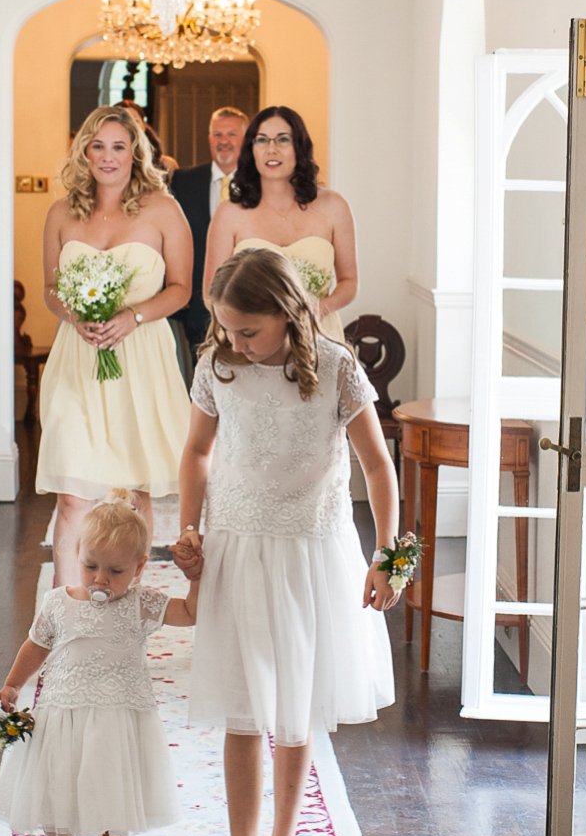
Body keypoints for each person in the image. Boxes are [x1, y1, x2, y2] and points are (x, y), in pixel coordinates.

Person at [173, 248, 398, 836]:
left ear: (288, 314)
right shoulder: (219, 366)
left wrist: (392, 556)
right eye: (227, 329)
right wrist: (188, 529)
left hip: (311, 548)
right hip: (238, 541)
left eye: (249, 331)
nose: (235, 342)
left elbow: (377, 466)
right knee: (243, 710)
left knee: (297, 705)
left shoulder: (336, 368)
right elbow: (198, 452)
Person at [0, 492, 199, 836]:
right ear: (76, 556)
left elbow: (192, 612)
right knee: (51, 795)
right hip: (62, 715)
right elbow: (36, 644)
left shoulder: (142, 603)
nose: (101, 579)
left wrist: (195, 576)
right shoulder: (59, 603)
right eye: (91, 566)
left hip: (117, 722)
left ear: (138, 568)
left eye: (116, 571)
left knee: (112, 803)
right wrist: (12, 684)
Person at [36, 105, 191, 585]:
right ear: (84, 150)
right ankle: (65, 614)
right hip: (78, 359)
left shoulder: (163, 209)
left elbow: (182, 288)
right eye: (98, 145)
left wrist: (132, 317)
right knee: (72, 494)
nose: (107, 156)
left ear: (134, 153)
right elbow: (50, 288)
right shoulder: (61, 212)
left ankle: (129, 602)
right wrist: (75, 314)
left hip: (142, 358)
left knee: (135, 489)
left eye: (118, 147)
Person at [202, 106, 358, 342]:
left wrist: (314, 313)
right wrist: (252, 326)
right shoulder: (229, 213)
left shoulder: (334, 207)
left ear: (300, 147)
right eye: (262, 140)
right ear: (251, 149)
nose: (271, 149)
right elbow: (211, 293)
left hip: (317, 336)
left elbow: (349, 282)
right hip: (248, 342)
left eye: (283, 140)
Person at [170, 107, 248, 361]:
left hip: (248, 297)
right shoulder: (183, 181)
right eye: (217, 134)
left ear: (245, 140)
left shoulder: (260, 183)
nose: (223, 141)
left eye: (231, 134)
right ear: (209, 139)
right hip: (196, 304)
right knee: (201, 373)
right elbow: (172, 240)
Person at [121, 95, 177, 180]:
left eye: (135, 121)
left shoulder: (166, 165)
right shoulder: (105, 165)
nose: (129, 127)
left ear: (143, 125)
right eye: (122, 122)